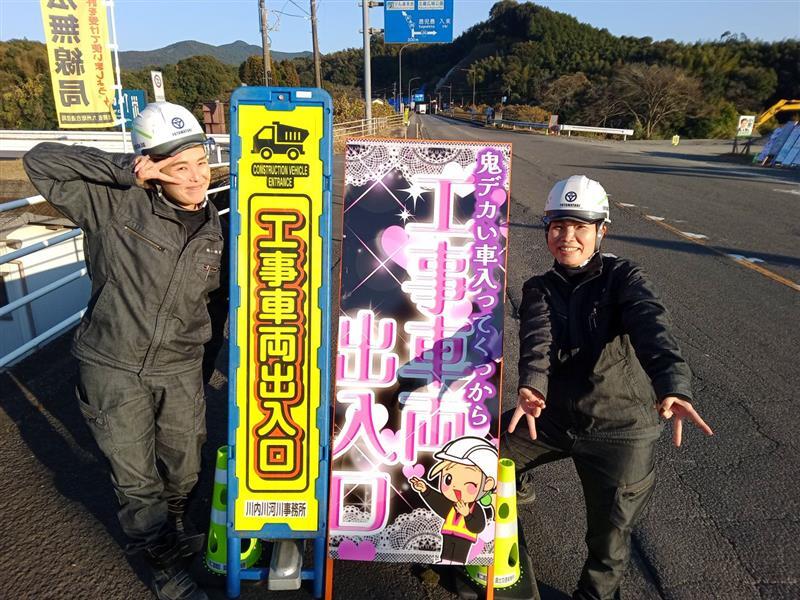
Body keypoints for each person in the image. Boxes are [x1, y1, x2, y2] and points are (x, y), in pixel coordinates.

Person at [23, 102, 223, 600]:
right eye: (179, 167)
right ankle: (162, 566)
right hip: (112, 364)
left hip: (179, 366)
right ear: (151, 167)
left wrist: (202, 368)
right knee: (136, 480)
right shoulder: (113, 204)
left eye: (201, 162)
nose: (196, 176)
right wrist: (125, 171)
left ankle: (175, 526)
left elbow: (215, 305)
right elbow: (40, 160)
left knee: (185, 466)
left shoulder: (217, 224)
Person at [502, 175, 713, 600]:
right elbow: (538, 341)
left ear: (602, 230)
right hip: (552, 417)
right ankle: (515, 492)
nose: (567, 237)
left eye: (580, 226)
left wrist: (672, 384)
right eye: (558, 226)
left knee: (608, 542)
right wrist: (533, 387)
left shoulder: (624, 277)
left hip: (620, 428)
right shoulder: (539, 287)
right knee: (476, 457)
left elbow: (651, 325)